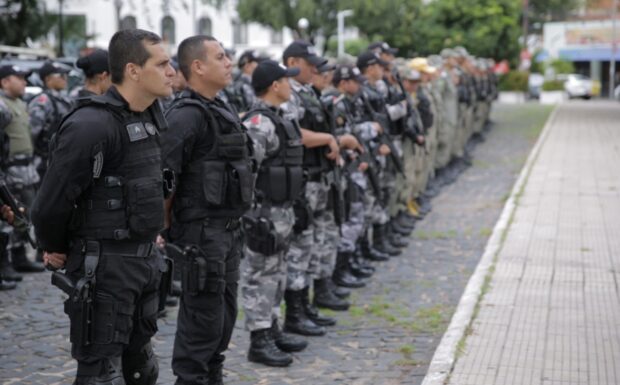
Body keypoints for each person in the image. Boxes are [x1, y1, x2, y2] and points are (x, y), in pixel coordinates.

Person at [31, 28, 174, 385]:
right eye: (163, 63)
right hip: (105, 268)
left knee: (141, 368)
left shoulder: (150, 115)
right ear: (134, 70)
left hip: (143, 263)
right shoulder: (91, 124)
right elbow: (49, 204)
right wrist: (56, 247)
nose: (172, 71)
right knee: (101, 374)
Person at [162, 35, 254, 385]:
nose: (229, 62)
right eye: (220, 56)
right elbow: (164, 180)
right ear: (198, 66)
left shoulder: (220, 106)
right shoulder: (186, 116)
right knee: (201, 326)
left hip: (226, 232)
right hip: (201, 235)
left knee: (222, 320)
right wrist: (166, 230)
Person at [240, 59, 309, 367]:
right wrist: (252, 215)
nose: (291, 85)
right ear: (274, 86)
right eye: (286, 80)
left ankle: (273, 327)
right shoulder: (259, 123)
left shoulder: (280, 117)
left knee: (277, 273)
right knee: (259, 275)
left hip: (282, 212)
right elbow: (246, 173)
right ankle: (259, 339)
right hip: (264, 215)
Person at [0, 65, 45, 275]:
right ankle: (6, 262)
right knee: (9, 217)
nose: (25, 82)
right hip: (10, 169)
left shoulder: (20, 103)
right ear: (5, 81)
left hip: (27, 167)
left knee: (26, 214)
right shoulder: (2, 105)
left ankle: (19, 257)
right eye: (19, 78)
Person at [28, 60, 74, 179]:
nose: (65, 78)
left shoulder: (66, 100)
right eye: (61, 76)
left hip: (62, 158)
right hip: (45, 161)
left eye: (65, 75)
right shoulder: (42, 101)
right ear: (48, 79)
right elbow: (31, 133)